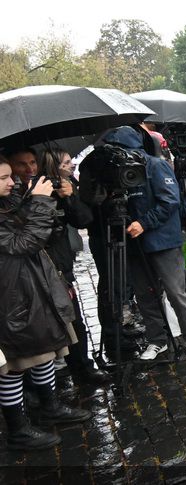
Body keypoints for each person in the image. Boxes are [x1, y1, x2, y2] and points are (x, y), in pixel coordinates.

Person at [0, 158, 91, 450]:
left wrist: (31, 198)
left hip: (35, 287)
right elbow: (23, 243)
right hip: (13, 296)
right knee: (17, 364)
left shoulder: (9, 201)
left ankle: (50, 406)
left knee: (46, 350)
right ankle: (18, 429)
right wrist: (39, 203)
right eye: (3, 178)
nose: (11, 182)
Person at [98, 126, 186, 361]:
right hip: (136, 243)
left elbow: (170, 201)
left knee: (176, 293)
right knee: (145, 296)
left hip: (163, 241)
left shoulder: (155, 165)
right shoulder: (117, 173)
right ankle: (158, 341)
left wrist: (144, 223)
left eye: (118, 149)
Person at [38, 148, 109, 384]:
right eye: (67, 163)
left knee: (74, 318)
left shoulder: (66, 185)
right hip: (37, 266)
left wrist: (70, 196)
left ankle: (82, 367)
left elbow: (83, 219)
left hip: (61, 265)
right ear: (52, 165)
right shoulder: (32, 190)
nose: (72, 166)